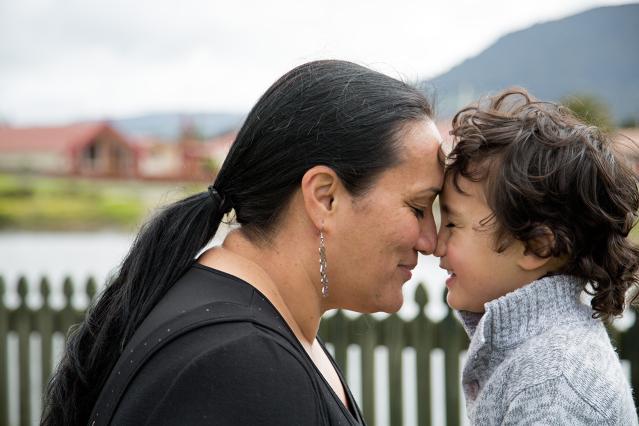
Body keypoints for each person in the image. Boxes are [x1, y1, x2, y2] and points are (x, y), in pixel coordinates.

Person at [41, 60, 444, 426]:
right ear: (325, 197)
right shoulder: (241, 364)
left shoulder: (261, 329)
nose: (431, 241)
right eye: (418, 206)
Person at [435, 88, 639, 425]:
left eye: (453, 223)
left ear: (537, 246)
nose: (435, 245)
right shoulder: (541, 355)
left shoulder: (554, 387)